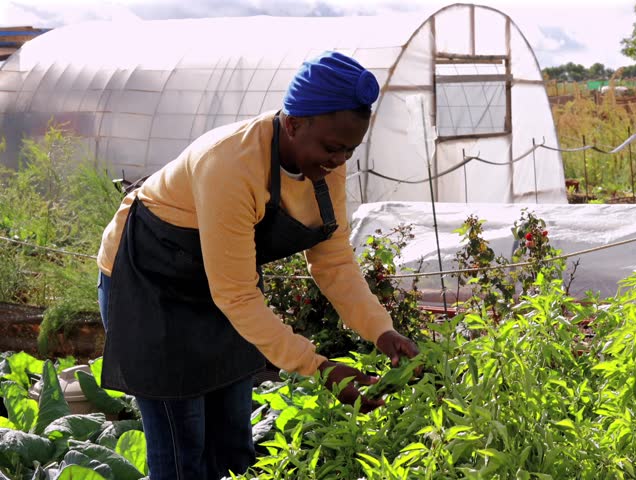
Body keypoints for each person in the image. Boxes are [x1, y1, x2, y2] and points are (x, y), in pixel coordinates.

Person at [95, 51, 419, 480]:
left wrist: (382, 330)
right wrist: (318, 366)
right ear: (293, 123)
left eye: (349, 150)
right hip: (152, 286)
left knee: (233, 446)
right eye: (332, 147)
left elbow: (334, 262)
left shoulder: (325, 164)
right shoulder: (230, 163)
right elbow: (236, 294)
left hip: (223, 289)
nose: (340, 160)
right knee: (181, 450)